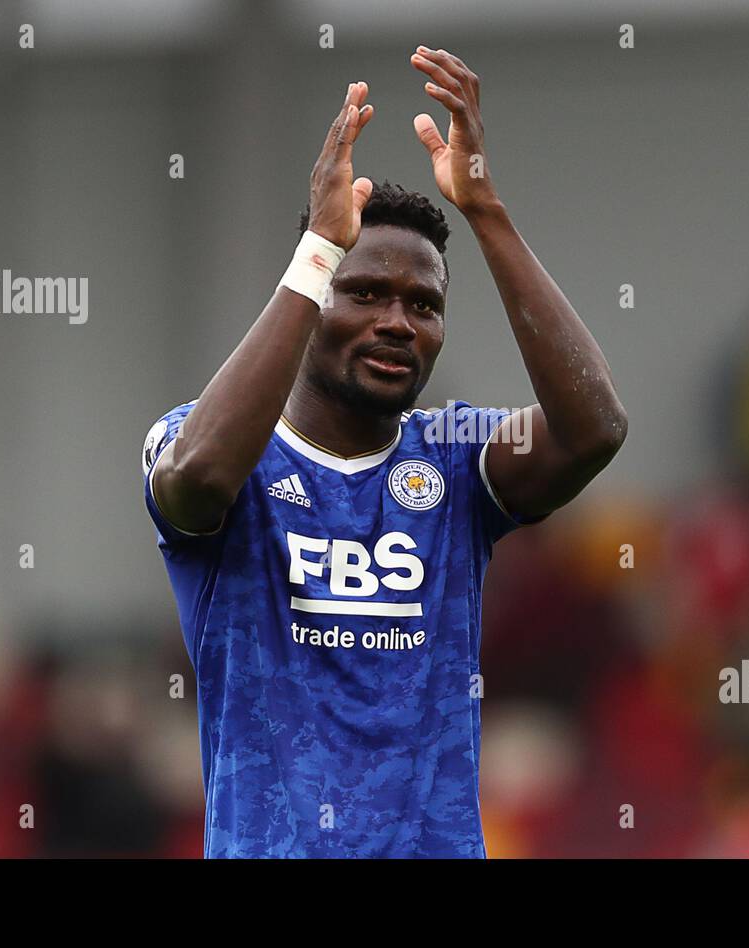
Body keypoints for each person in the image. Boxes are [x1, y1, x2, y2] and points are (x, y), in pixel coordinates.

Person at [142, 47, 626, 857]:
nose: (399, 321)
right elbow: (196, 480)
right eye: (364, 293)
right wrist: (318, 251)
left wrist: (486, 212)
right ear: (314, 289)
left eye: (423, 305)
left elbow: (593, 430)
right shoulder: (203, 438)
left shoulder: (455, 459)